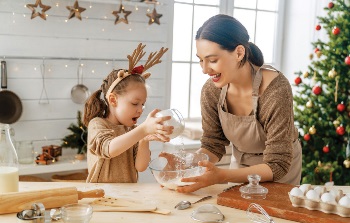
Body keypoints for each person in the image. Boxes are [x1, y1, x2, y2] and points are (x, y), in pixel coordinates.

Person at [174, 14, 302, 193]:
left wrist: (222, 176)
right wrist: (190, 161)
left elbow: (278, 164)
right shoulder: (212, 90)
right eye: (200, 60)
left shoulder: (275, 89)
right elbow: (213, 143)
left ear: (239, 53)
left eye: (212, 60)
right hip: (240, 166)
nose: (204, 70)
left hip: (280, 171)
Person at [83, 43, 173, 183]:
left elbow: (141, 166)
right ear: (113, 100)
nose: (140, 109)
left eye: (142, 104)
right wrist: (143, 129)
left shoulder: (133, 130)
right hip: (100, 195)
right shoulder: (98, 124)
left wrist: (144, 139)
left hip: (128, 195)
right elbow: (109, 149)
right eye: (134, 103)